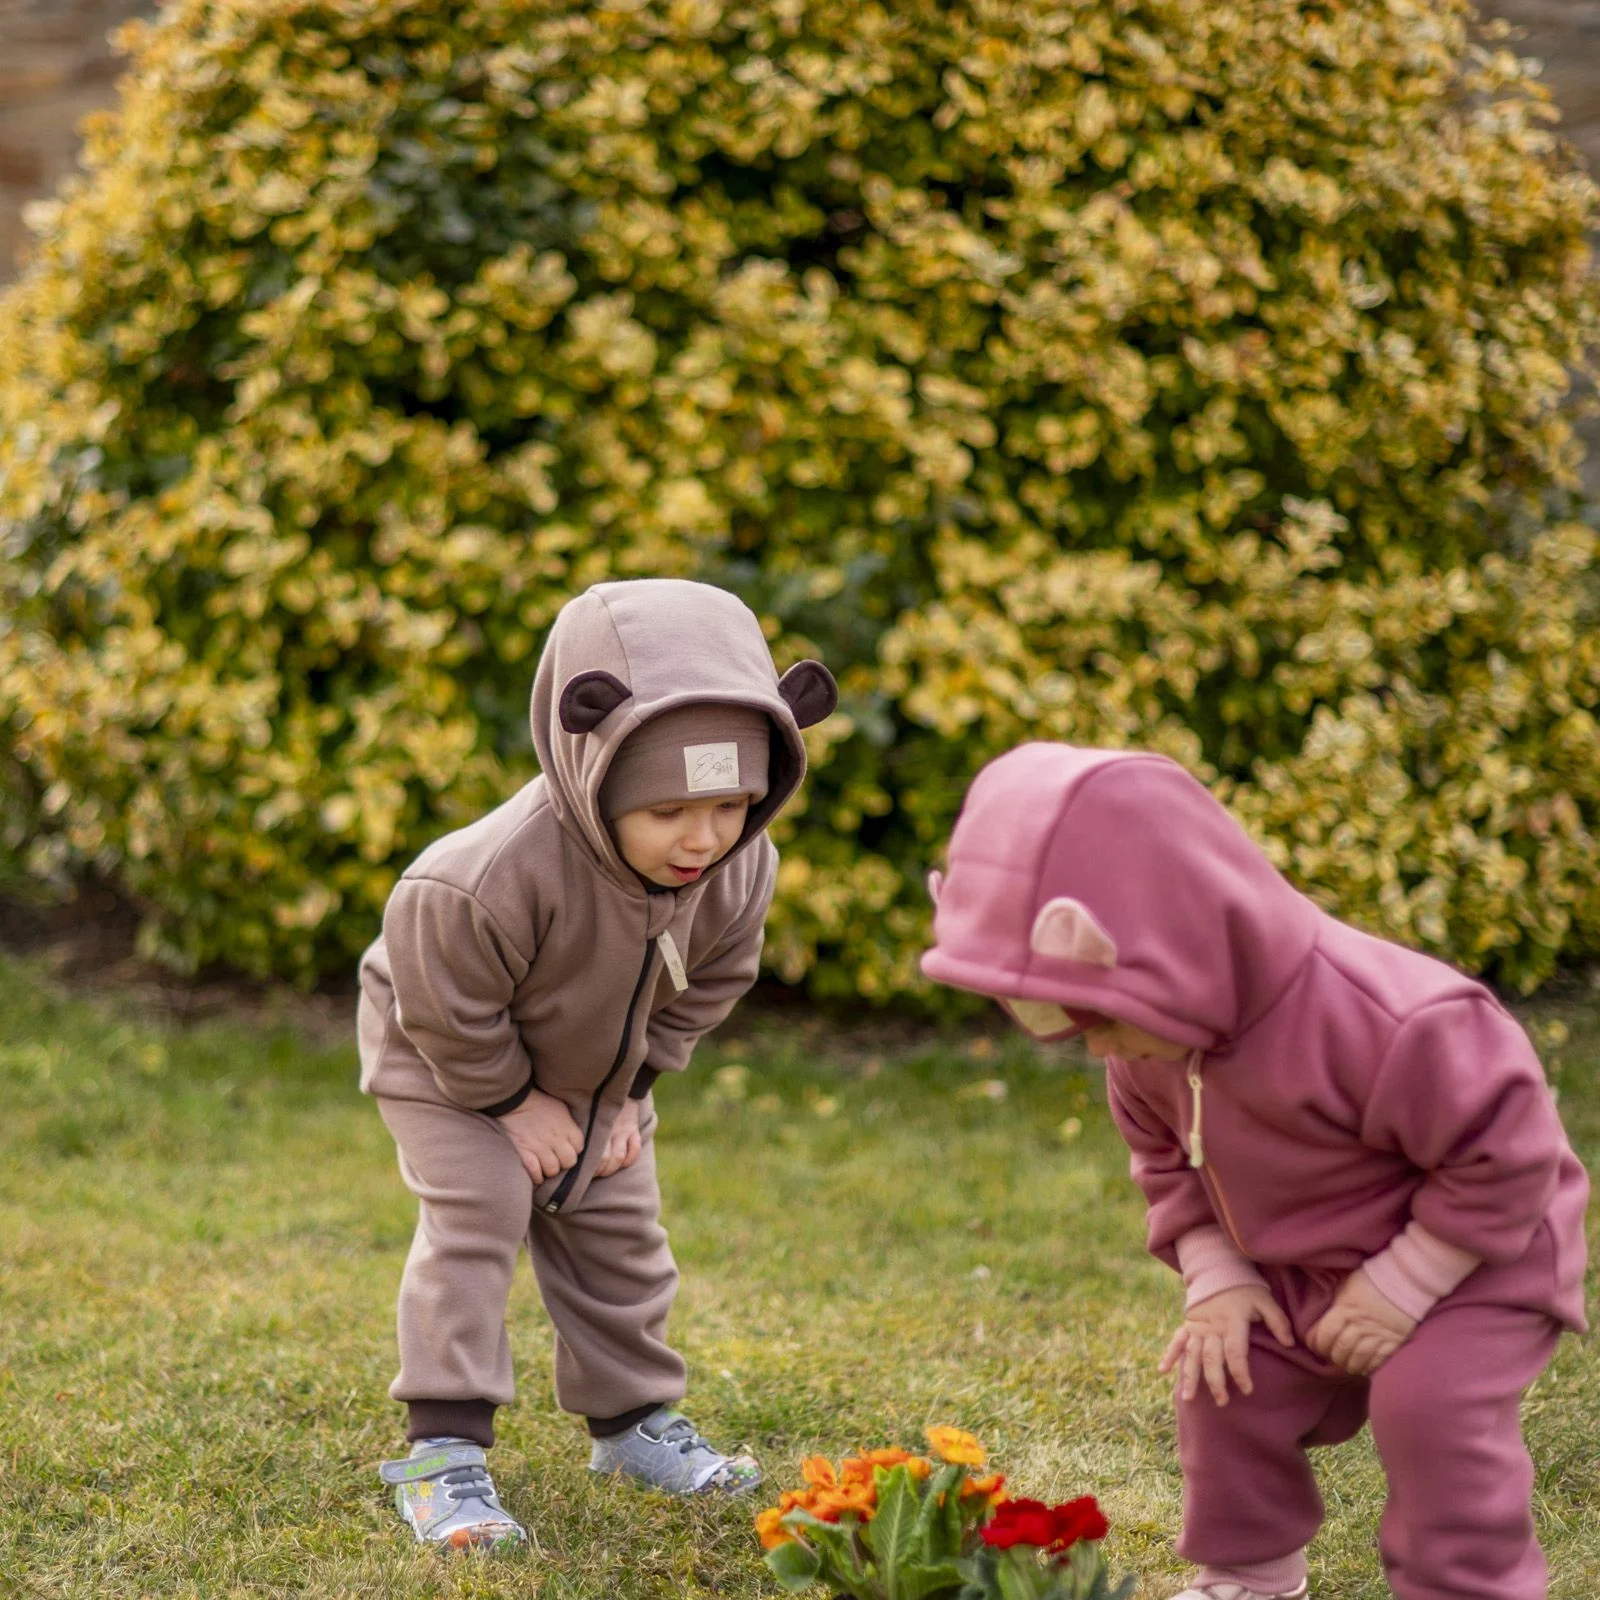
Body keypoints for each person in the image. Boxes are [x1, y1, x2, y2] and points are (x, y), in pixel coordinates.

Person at [920, 743, 1588, 1600]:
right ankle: (1252, 1576)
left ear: (1179, 943)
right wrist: (1219, 1274)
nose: (1092, 1046)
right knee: (1222, 1376)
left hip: (1475, 1257)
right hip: (1302, 1259)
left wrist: (1404, 1284)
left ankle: (1469, 1586)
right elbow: (1166, 1162)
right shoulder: (1145, 1041)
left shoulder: (1392, 1020)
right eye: (1047, 1016)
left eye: (1092, 1016)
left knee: (1430, 1411)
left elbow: (1509, 1148)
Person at [357, 578, 836, 1549]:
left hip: (592, 1067)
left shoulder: (737, 862)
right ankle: (440, 1450)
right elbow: (444, 1002)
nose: (702, 836)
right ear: (594, 765)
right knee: (482, 1210)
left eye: (731, 802)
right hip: (447, 1054)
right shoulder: (480, 876)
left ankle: (631, 1427)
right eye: (668, 808)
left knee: (617, 1221)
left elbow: (713, 978)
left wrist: (630, 1092)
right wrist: (508, 1101)